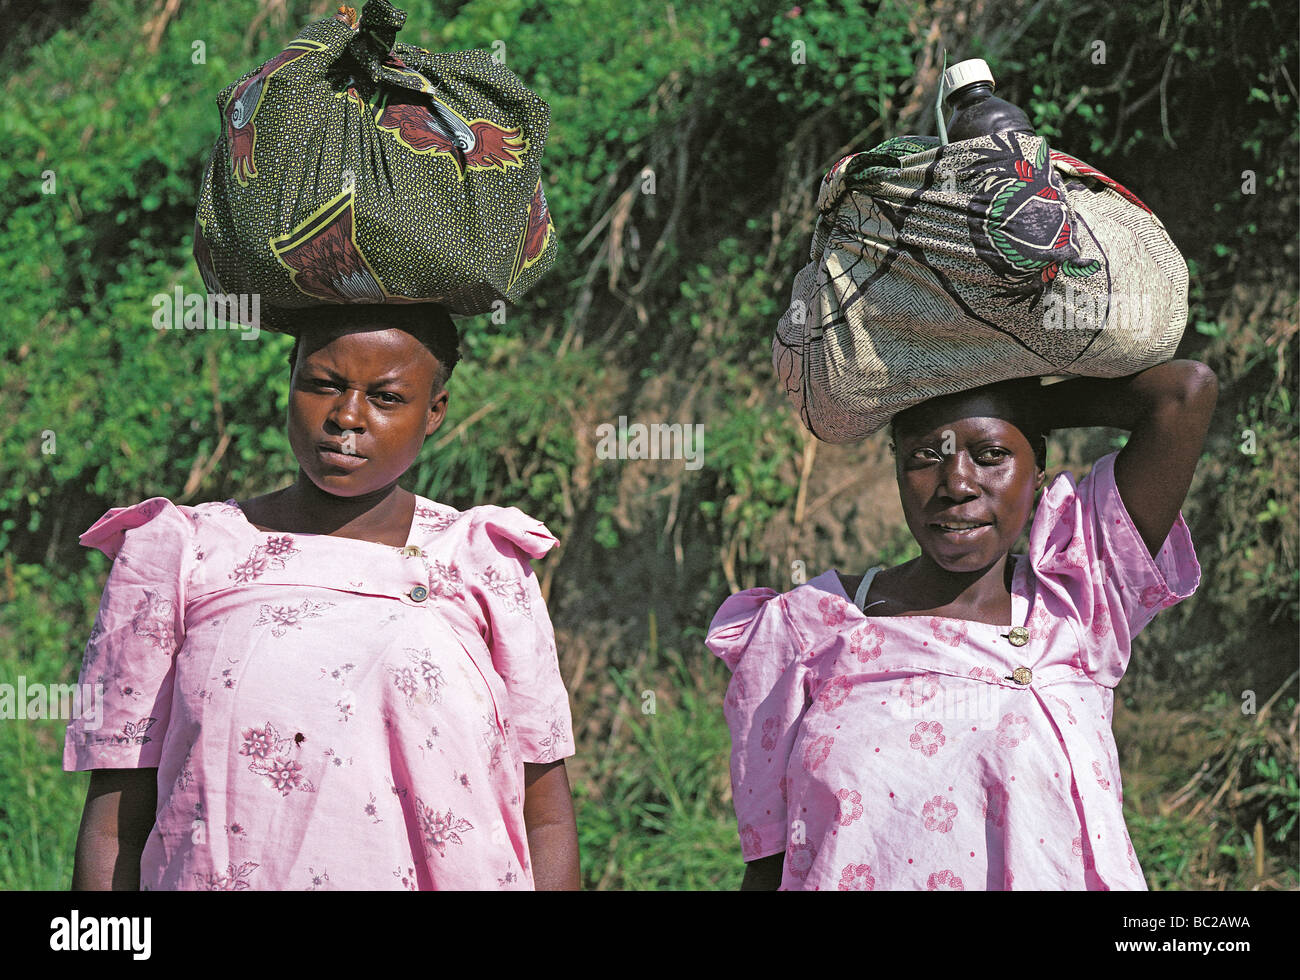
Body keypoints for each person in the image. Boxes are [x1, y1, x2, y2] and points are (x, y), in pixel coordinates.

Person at [65, 303, 579, 890]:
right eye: (322, 385)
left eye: (386, 398)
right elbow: (116, 823)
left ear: (434, 411)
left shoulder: (482, 561)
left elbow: (545, 815)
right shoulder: (181, 554)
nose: (347, 417)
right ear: (289, 380)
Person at [706, 360, 1217, 890]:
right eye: (927, 455)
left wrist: (1022, 404)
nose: (957, 484)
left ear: (1036, 469)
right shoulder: (804, 626)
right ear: (897, 469)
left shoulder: (1079, 596)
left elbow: (1183, 393)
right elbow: (768, 865)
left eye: (992, 455)